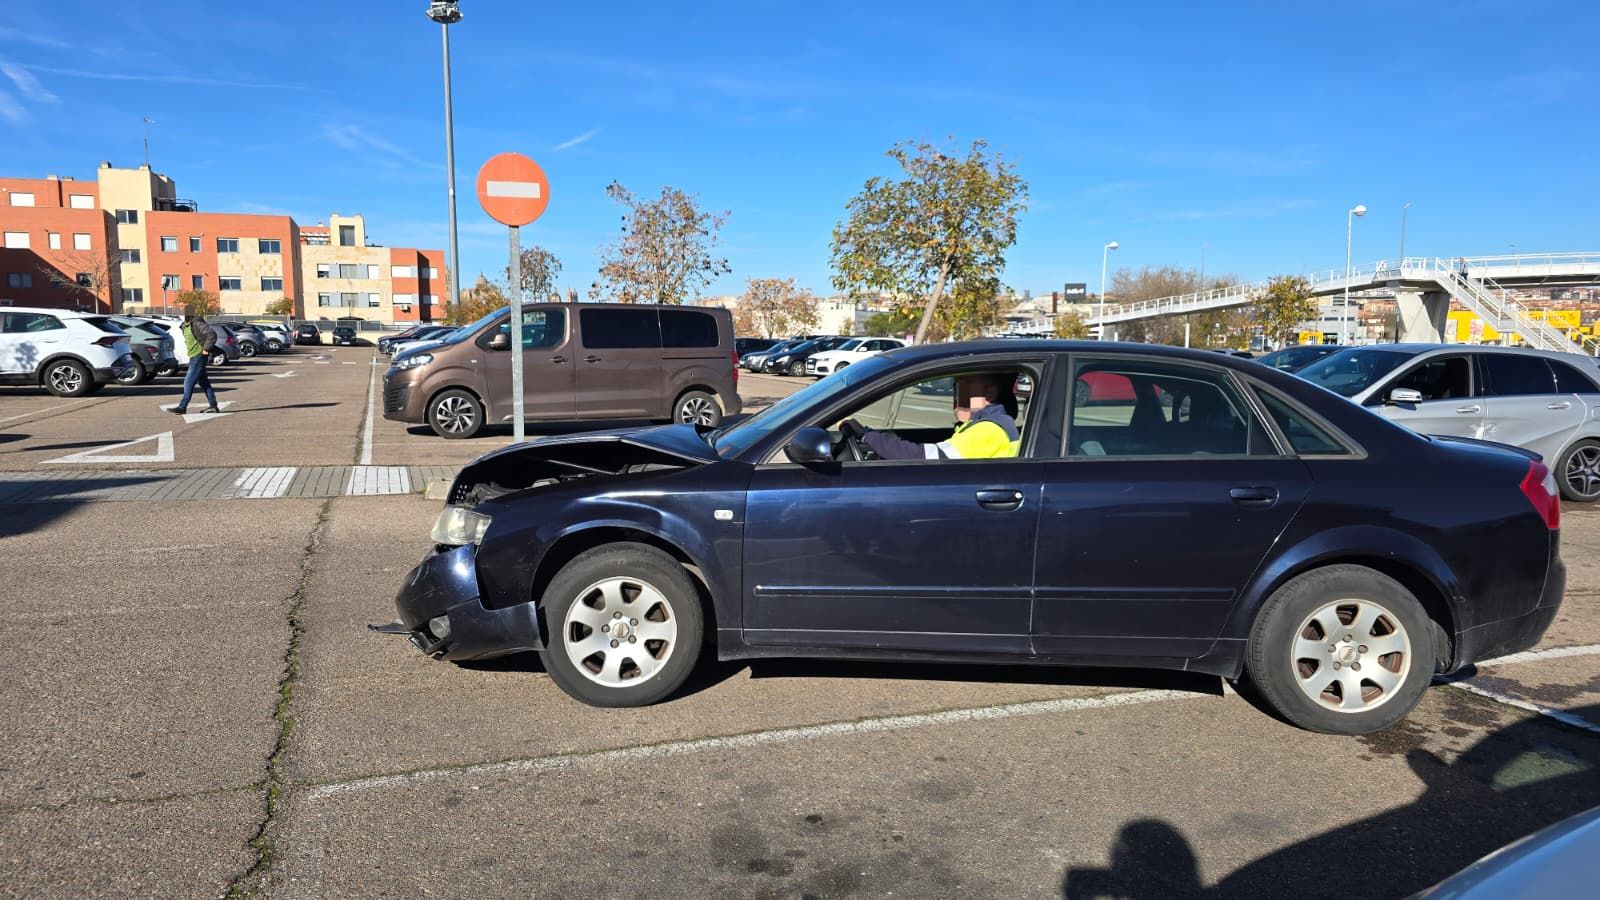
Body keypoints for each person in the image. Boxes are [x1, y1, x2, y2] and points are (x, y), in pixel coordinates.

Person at [841, 373, 1020, 460]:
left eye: (965, 388)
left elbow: (926, 458)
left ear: (990, 393)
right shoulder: (981, 424)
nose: (958, 396)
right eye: (956, 387)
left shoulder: (989, 430)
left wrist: (868, 436)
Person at [170, 313, 220, 415]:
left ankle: (182, 406)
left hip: (199, 355)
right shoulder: (185, 325)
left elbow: (212, 334)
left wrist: (206, 349)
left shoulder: (197, 322)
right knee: (203, 382)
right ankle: (213, 405)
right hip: (193, 355)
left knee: (188, 381)